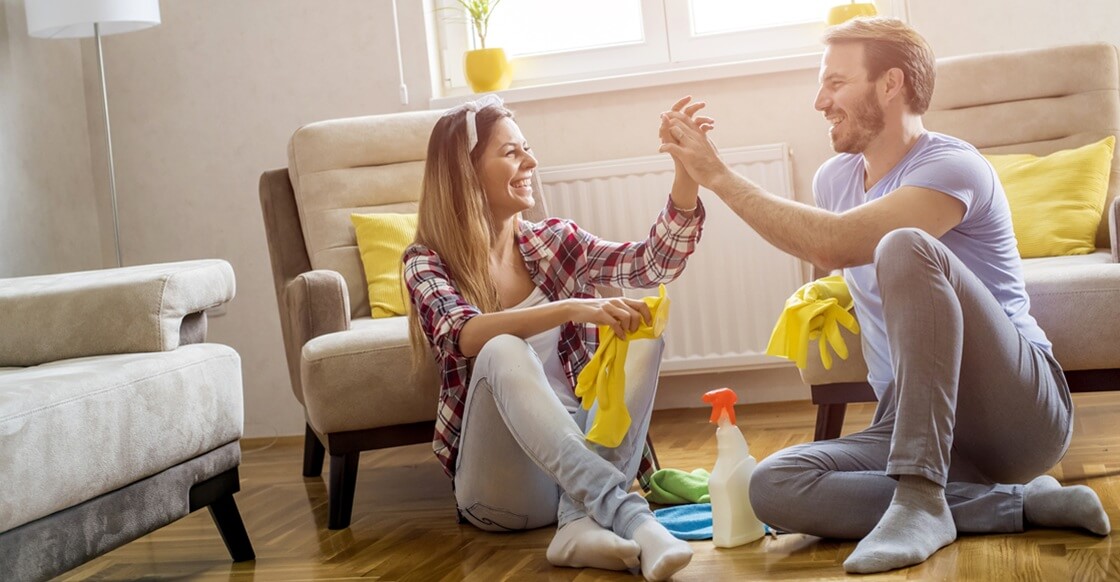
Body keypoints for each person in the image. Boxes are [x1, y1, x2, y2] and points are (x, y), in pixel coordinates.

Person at [658, 17, 1111, 575]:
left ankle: (922, 501)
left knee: (903, 247)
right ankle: (1016, 505)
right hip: (909, 419)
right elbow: (831, 251)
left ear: (891, 84)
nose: (820, 100)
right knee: (770, 485)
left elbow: (837, 243)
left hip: (1015, 411)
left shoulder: (952, 164)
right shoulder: (836, 179)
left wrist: (719, 176)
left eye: (835, 83)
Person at [404, 94, 712, 581]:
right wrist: (571, 307)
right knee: (502, 346)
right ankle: (634, 520)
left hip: (584, 475)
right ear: (465, 171)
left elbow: (654, 263)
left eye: (526, 148)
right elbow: (462, 334)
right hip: (504, 493)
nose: (531, 161)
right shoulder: (426, 261)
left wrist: (686, 178)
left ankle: (576, 529)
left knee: (643, 328)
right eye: (511, 152)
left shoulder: (555, 242)